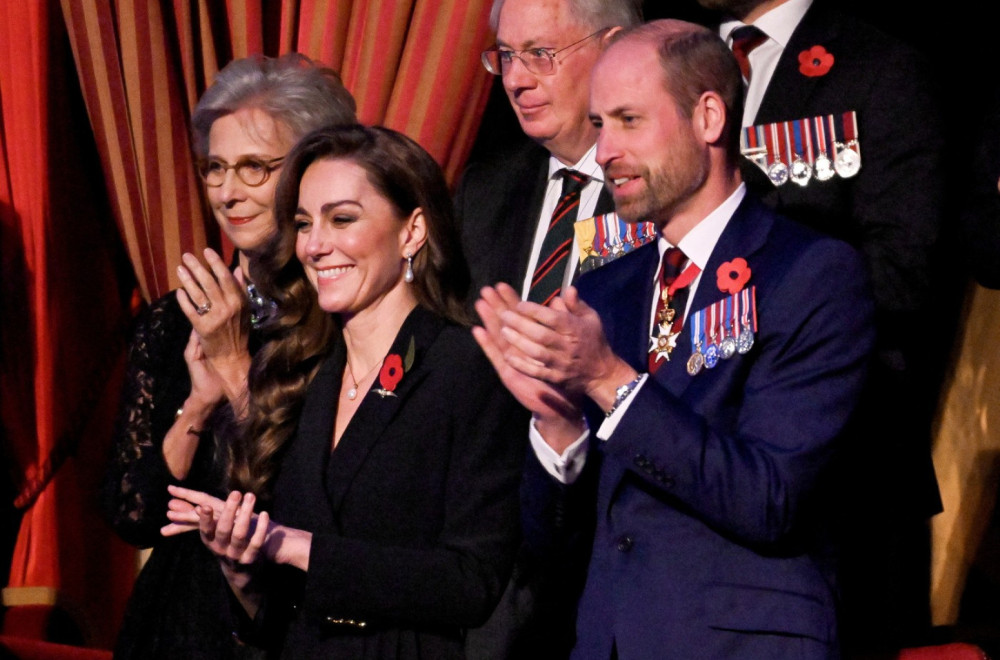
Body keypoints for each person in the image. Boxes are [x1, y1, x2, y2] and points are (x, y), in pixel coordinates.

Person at [474, 19, 875, 658]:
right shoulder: (605, 291)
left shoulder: (809, 274)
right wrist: (557, 431)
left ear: (708, 116)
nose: (604, 153)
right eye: (600, 125)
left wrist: (609, 381)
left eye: (629, 121)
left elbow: (769, 497)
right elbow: (559, 547)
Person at [162, 125, 528, 658]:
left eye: (342, 219)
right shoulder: (298, 372)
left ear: (412, 231)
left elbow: (473, 582)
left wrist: (291, 545)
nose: (314, 246)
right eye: (304, 223)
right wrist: (241, 568)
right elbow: (276, 608)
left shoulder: (465, 368)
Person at [696, 0, 947, 650]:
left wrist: (739, 313)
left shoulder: (878, 68)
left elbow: (902, 273)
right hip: (684, 483)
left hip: (839, 482)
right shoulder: (670, 63)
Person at [102, 53, 356, 659]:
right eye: (214, 168)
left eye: (253, 168)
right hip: (175, 625)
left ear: (312, 171)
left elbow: (310, 503)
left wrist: (236, 363)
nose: (226, 192)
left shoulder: (344, 318)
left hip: (286, 626)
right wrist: (198, 402)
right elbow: (131, 513)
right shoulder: (174, 317)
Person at [455, 0, 643, 303]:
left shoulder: (667, 186)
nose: (515, 80)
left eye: (539, 54)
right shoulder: (484, 192)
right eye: (506, 56)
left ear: (613, 50)